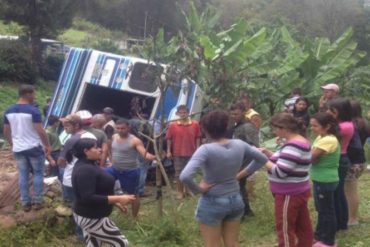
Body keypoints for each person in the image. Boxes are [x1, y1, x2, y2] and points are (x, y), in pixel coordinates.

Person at [180, 110, 271, 247]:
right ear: (226, 126)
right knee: (233, 244)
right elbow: (262, 159)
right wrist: (240, 175)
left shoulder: (205, 149)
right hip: (235, 200)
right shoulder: (239, 144)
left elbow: (185, 176)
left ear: (205, 129)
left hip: (213, 201)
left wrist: (199, 189)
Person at [259, 113, 313, 247]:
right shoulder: (298, 142)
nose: (273, 132)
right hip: (298, 191)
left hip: (289, 194)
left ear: (284, 128)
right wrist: (269, 154)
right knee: (303, 226)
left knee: (284, 228)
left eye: (275, 128)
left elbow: (280, 172)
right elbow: (288, 161)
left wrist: (262, 159)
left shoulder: (293, 146)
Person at [72, 137, 136, 247]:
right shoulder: (85, 170)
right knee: (121, 243)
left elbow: (99, 189)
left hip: (91, 214)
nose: (100, 150)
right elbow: (88, 197)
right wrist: (119, 198)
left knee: (94, 244)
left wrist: (115, 202)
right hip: (91, 217)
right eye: (96, 148)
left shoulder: (89, 164)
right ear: (86, 151)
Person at [3, 84, 51, 211]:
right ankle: (38, 201)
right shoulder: (33, 111)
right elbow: (40, 131)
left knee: (23, 174)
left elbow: (6, 131)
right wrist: (47, 145)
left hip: (18, 149)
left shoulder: (9, 110)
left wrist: (12, 143)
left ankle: (25, 203)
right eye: (34, 93)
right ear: (28, 94)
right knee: (38, 173)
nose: (35, 96)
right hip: (34, 147)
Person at [106, 119, 156, 218]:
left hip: (130, 171)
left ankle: (134, 217)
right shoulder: (114, 137)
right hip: (114, 169)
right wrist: (111, 160)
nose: (120, 130)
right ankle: (116, 203)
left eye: (123, 128)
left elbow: (144, 154)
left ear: (128, 128)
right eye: (118, 128)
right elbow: (110, 148)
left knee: (133, 195)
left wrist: (154, 157)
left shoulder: (134, 140)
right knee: (102, 180)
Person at [310, 112, 341, 247]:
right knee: (322, 209)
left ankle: (328, 240)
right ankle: (319, 235)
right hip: (319, 179)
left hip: (326, 181)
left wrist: (313, 158)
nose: (312, 128)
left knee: (327, 211)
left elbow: (310, 157)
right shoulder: (321, 137)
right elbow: (312, 155)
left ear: (327, 126)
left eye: (315, 126)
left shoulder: (329, 140)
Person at [326, 98, 354, 231]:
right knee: (338, 192)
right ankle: (341, 222)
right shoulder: (343, 124)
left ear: (338, 112)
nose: (327, 112)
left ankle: (340, 222)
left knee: (337, 192)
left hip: (339, 159)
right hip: (339, 159)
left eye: (331, 110)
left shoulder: (344, 126)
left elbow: (326, 134)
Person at [229, 102, 259, 216]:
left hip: (245, 160)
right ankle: (246, 210)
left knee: (239, 185)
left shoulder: (248, 126)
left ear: (243, 113)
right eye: (232, 114)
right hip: (238, 159)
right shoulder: (237, 126)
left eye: (236, 114)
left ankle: (244, 211)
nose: (233, 116)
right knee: (239, 185)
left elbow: (255, 145)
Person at [166, 105, 201, 199]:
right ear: (177, 114)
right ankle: (180, 192)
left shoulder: (195, 124)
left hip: (191, 153)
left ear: (188, 113)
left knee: (189, 173)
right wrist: (169, 151)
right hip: (177, 153)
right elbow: (169, 139)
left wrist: (197, 149)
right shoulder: (173, 125)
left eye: (184, 112)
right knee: (179, 174)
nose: (182, 114)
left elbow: (197, 137)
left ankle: (188, 190)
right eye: (180, 113)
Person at [344, 100, 370, 226]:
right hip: (361, 161)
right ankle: (349, 215)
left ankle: (352, 219)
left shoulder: (351, 125)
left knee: (350, 191)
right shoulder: (364, 123)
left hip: (352, 161)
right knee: (349, 190)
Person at [45, 115, 63, 180]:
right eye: (58, 122)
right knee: (55, 174)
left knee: (57, 172)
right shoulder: (48, 133)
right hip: (53, 154)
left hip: (57, 153)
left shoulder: (54, 130)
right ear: (55, 123)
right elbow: (45, 148)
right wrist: (51, 159)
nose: (59, 123)